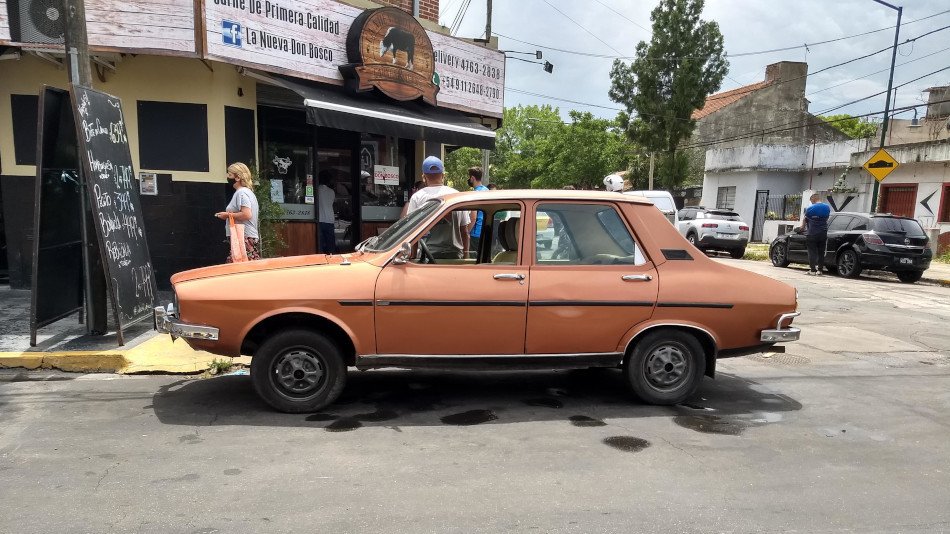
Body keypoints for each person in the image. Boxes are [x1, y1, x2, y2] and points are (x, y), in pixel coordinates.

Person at [405, 156, 470, 259]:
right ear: (443, 175)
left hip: (427, 256)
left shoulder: (417, 197)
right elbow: (464, 232)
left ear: (423, 177)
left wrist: (413, 257)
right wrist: (466, 256)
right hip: (454, 256)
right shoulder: (456, 195)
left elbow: (412, 231)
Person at [215, 162, 260, 262]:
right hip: (244, 237)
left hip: (243, 237)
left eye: (229, 174)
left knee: (240, 266)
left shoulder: (241, 193)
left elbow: (247, 214)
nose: (227, 177)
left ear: (238, 177)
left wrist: (227, 215)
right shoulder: (247, 192)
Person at [802, 192, 831, 275]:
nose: (811, 203)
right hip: (823, 233)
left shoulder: (810, 208)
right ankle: (820, 270)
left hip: (812, 233)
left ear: (813, 199)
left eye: (811, 201)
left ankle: (813, 270)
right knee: (821, 252)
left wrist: (802, 228)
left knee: (812, 252)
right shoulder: (827, 207)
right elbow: (826, 218)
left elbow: (805, 219)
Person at [467, 166, 488, 256]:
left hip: (476, 234)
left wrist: (466, 232)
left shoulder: (475, 194)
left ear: (472, 178)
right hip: (486, 232)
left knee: (474, 259)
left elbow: (473, 218)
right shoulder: (487, 191)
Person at [317, 170, 336, 254]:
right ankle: (332, 258)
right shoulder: (332, 192)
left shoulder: (316, 190)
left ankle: (321, 258)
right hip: (330, 219)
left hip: (319, 219)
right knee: (330, 244)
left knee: (320, 244)